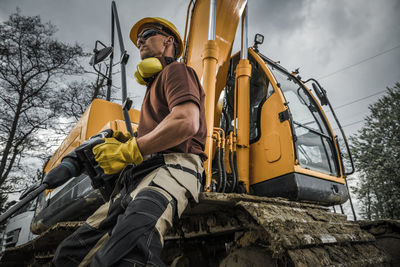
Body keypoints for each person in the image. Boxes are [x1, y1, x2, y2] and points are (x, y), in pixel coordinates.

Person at [52, 17, 207, 267]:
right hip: (140, 175)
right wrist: (131, 140)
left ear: (168, 41)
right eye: (137, 39)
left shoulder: (176, 70)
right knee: (68, 256)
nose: (140, 40)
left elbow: (186, 122)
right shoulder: (154, 85)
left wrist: (132, 149)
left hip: (174, 167)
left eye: (147, 33)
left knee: (128, 252)